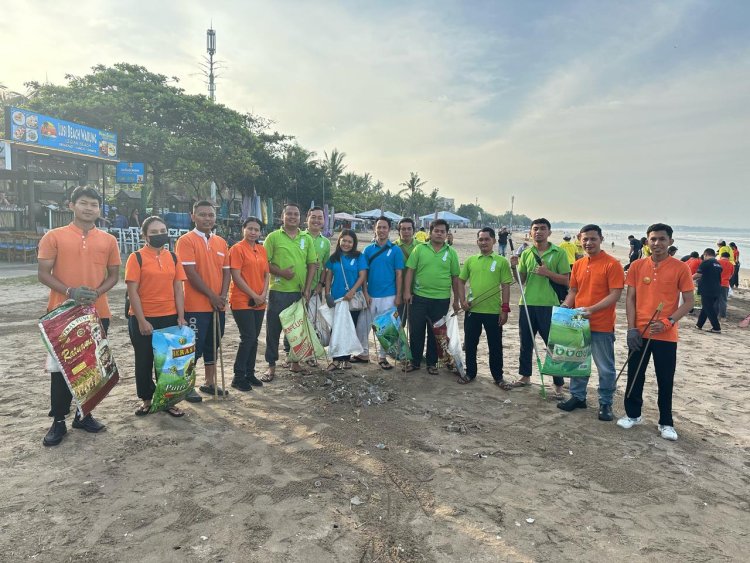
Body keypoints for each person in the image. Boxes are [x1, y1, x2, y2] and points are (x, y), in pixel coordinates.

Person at [37, 186, 120, 446]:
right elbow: (43, 273)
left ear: (99, 209)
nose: (89, 208)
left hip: (97, 313)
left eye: (94, 205)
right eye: (83, 203)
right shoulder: (54, 236)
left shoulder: (108, 240)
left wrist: (97, 292)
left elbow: (114, 276)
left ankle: (84, 414)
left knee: (93, 366)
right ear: (71, 205)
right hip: (61, 314)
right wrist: (70, 291)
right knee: (61, 369)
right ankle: (58, 421)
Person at [617, 223, 694, 441]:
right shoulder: (637, 266)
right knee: (635, 375)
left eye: (662, 239)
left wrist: (669, 321)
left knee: (665, 378)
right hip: (639, 331)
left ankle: (666, 422)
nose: (657, 243)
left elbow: (688, 302)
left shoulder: (681, 268)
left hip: (666, 334)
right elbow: (630, 299)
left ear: (670, 241)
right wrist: (631, 328)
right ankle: (633, 414)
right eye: (653, 239)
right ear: (647, 241)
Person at [557, 225, 624, 421]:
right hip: (577, 323)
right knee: (577, 362)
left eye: (593, 239)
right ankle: (578, 397)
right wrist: (565, 307)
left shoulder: (612, 264)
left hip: (601, 325)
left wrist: (592, 310)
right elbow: (573, 292)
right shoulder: (578, 264)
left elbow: (615, 294)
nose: (588, 243)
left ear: (601, 239)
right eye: (585, 239)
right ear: (579, 239)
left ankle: (605, 403)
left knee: (605, 368)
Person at [126, 216, 188, 417]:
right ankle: (147, 400)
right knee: (144, 361)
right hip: (143, 319)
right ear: (145, 236)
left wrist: (181, 316)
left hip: (169, 318)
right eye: (153, 233)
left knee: (168, 363)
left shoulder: (173, 257)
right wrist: (142, 320)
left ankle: (167, 401)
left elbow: (178, 288)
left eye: (162, 231)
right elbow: (132, 292)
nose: (159, 235)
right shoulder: (136, 258)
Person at [175, 200, 231, 401]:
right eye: (202, 214)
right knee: (193, 347)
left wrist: (222, 297)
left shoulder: (221, 242)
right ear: (193, 216)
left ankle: (209, 382)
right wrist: (212, 296)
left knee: (213, 344)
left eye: (211, 215)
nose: (207, 218)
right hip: (195, 306)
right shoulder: (186, 240)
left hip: (218, 305)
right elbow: (190, 273)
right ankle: (185, 385)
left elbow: (226, 272)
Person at [509, 218, 570, 398]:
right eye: (535, 229)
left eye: (543, 229)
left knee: (552, 345)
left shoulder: (558, 252)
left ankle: (558, 382)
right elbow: (522, 279)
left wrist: (547, 273)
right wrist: (513, 267)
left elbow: (567, 280)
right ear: (530, 232)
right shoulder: (527, 253)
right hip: (527, 303)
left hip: (549, 305)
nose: (539, 232)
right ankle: (525, 376)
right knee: (525, 342)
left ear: (549, 232)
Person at [262, 203, 316, 380]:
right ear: (282, 216)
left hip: (299, 293)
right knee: (273, 330)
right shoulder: (273, 237)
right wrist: (281, 273)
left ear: (300, 218)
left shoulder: (306, 238)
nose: (293, 217)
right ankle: (271, 365)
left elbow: (312, 264)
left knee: (296, 331)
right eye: (289, 214)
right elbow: (264, 263)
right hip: (278, 291)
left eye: (296, 214)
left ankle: (294, 363)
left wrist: (308, 288)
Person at [403, 219, 461, 374]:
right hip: (419, 297)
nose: (439, 234)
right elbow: (409, 270)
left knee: (436, 333)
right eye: (436, 231)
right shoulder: (419, 249)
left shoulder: (451, 253)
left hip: (441, 300)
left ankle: (431, 363)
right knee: (416, 331)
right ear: (431, 233)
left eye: (443, 231)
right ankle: (415, 361)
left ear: (446, 234)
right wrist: (407, 292)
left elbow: (455, 278)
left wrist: (456, 300)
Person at [459, 227, 513, 388]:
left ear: (494, 241)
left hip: (493, 312)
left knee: (495, 345)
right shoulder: (471, 260)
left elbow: (506, 286)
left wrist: (504, 309)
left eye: (487, 239)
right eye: (480, 239)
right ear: (477, 242)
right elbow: (461, 281)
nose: (483, 242)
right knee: (470, 344)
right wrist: (462, 301)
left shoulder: (501, 261)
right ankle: (470, 373)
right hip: (473, 310)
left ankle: (498, 377)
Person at [228, 216, 270, 391]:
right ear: (243, 229)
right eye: (250, 228)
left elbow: (267, 274)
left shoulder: (261, 249)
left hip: (259, 301)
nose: (253, 232)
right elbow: (236, 276)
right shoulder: (237, 249)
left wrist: (262, 294)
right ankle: (238, 376)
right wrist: (254, 294)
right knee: (248, 337)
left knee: (254, 340)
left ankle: (249, 373)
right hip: (242, 300)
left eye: (256, 229)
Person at [362, 217, 404, 369]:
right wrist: (365, 292)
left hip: (389, 295)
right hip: (371, 295)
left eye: (384, 227)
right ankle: (364, 353)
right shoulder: (367, 250)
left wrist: (398, 295)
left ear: (389, 230)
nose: (381, 230)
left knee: (386, 329)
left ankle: (382, 357)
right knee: (365, 326)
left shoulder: (395, 250)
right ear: (375, 228)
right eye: (379, 227)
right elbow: (363, 274)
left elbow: (399, 274)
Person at [325, 229, 368, 370]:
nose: (346, 244)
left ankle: (346, 359)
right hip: (337, 298)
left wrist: (352, 291)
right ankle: (335, 359)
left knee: (350, 328)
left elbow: (362, 276)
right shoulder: (334, 258)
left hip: (352, 299)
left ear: (354, 243)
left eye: (350, 241)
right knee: (336, 329)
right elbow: (328, 276)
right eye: (344, 240)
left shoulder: (359, 257)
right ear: (339, 240)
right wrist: (327, 293)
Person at [693, 248, 722, 333]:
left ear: (705, 255)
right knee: (706, 307)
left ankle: (716, 327)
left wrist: (687, 279)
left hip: (707, 289)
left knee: (709, 308)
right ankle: (699, 325)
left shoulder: (706, 262)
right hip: (716, 289)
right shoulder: (718, 264)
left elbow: (698, 274)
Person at [395, 217, 418, 324]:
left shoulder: (421, 246)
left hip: (417, 292)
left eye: (409, 229)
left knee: (415, 326)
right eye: (403, 229)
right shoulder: (393, 247)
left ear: (414, 230)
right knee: (398, 326)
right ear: (398, 231)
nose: (406, 232)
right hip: (397, 293)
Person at [717, 251, 733, 319]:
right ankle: (722, 315)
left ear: (721, 256)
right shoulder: (731, 264)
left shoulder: (717, 262)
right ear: (728, 258)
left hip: (716, 283)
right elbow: (731, 276)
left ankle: (714, 314)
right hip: (725, 284)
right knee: (723, 300)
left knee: (715, 299)